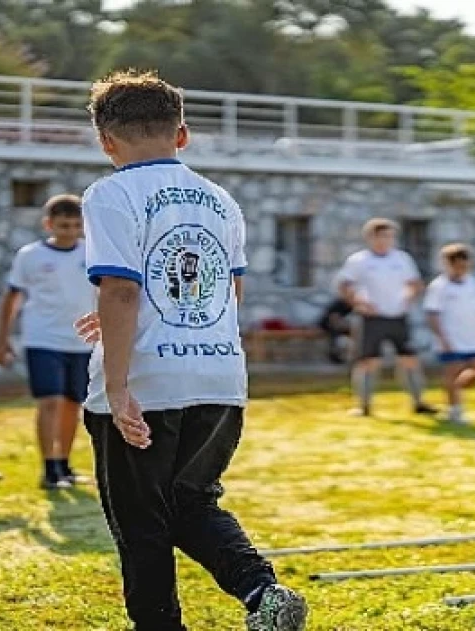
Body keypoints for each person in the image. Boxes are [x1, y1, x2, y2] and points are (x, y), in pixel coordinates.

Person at [79, 70, 306, 631]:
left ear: (105, 140)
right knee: (190, 503)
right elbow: (226, 288)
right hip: (219, 377)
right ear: (183, 135)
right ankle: (262, 591)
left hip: (150, 380)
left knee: (142, 525)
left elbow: (123, 288)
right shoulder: (220, 199)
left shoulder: (110, 192)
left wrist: (117, 386)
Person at [0, 194, 95, 489]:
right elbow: (12, 297)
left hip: (82, 341)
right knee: (49, 400)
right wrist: (1, 339)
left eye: (76, 225)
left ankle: (64, 462)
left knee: (72, 404)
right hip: (43, 338)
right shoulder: (30, 255)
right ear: (48, 224)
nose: (70, 231)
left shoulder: (93, 253)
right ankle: (48, 467)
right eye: (63, 225)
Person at [336, 219, 436, 417]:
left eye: (389, 236)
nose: (385, 240)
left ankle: (418, 402)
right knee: (368, 362)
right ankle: (364, 406)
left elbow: (415, 283)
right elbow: (345, 285)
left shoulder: (402, 259)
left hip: (398, 317)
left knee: (409, 359)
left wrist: (409, 295)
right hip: (372, 319)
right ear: (371, 238)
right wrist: (359, 303)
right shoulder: (359, 260)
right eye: (381, 236)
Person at [423, 244, 475, 425]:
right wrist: (442, 338)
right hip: (451, 338)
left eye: (465, 265)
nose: (463, 269)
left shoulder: (472, 283)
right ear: (449, 264)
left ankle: (454, 390)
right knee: (452, 372)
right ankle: (455, 410)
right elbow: (432, 315)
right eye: (459, 265)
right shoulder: (439, 287)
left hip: (472, 338)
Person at [317, 297, 353, 364]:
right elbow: (331, 319)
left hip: (347, 330)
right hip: (331, 327)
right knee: (338, 336)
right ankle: (336, 355)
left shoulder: (357, 305)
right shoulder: (338, 304)